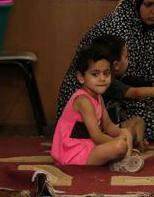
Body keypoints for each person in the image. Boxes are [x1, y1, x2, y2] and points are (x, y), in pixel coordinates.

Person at [56, 0, 154, 141]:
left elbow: (138, 75)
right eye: (148, 4)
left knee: (149, 118)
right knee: (140, 117)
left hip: (118, 89)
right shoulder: (117, 28)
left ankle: (126, 138)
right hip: (91, 91)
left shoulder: (152, 27)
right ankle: (120, 139)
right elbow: (117, 81)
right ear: (136, 2)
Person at [51, 44, 143, 172]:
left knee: (127, 133)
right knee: (120, 146)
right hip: (74, 152)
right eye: (95, 74)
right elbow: (97, 136)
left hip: (89, 145)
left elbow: (108, 125)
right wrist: (120, 141)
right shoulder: (83, 101)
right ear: (81, 77)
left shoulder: (98, 97)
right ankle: (122, 160)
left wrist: (124, 134)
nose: (102, 79)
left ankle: (123, 159)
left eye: (106, 73)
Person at [92, 33, 154, 148]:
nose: (128, 60)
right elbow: (135, 93)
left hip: (114, 126)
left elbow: (135, 82)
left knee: (138, 121)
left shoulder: (118, 78)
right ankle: (130, 146)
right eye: (126, 57)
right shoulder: (107, 83)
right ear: (116, 65)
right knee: (129, 131)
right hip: (104, 132)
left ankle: (138, 145)